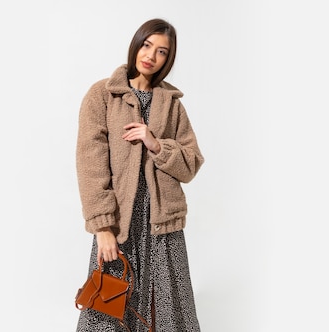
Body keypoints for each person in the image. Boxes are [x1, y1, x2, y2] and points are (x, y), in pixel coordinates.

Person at [75, 18, 204, 332]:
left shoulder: (172, 106)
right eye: (147, 45)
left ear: (167, 59)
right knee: (108, 308)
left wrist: (156, 143)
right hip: (119, 222)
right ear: (136, 44)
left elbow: (191, 163)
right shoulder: (103, 95)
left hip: (163, 223)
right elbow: (90, 166)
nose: (150, 56)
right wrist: (102, 227)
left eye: (161, 52)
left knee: (171, 312)